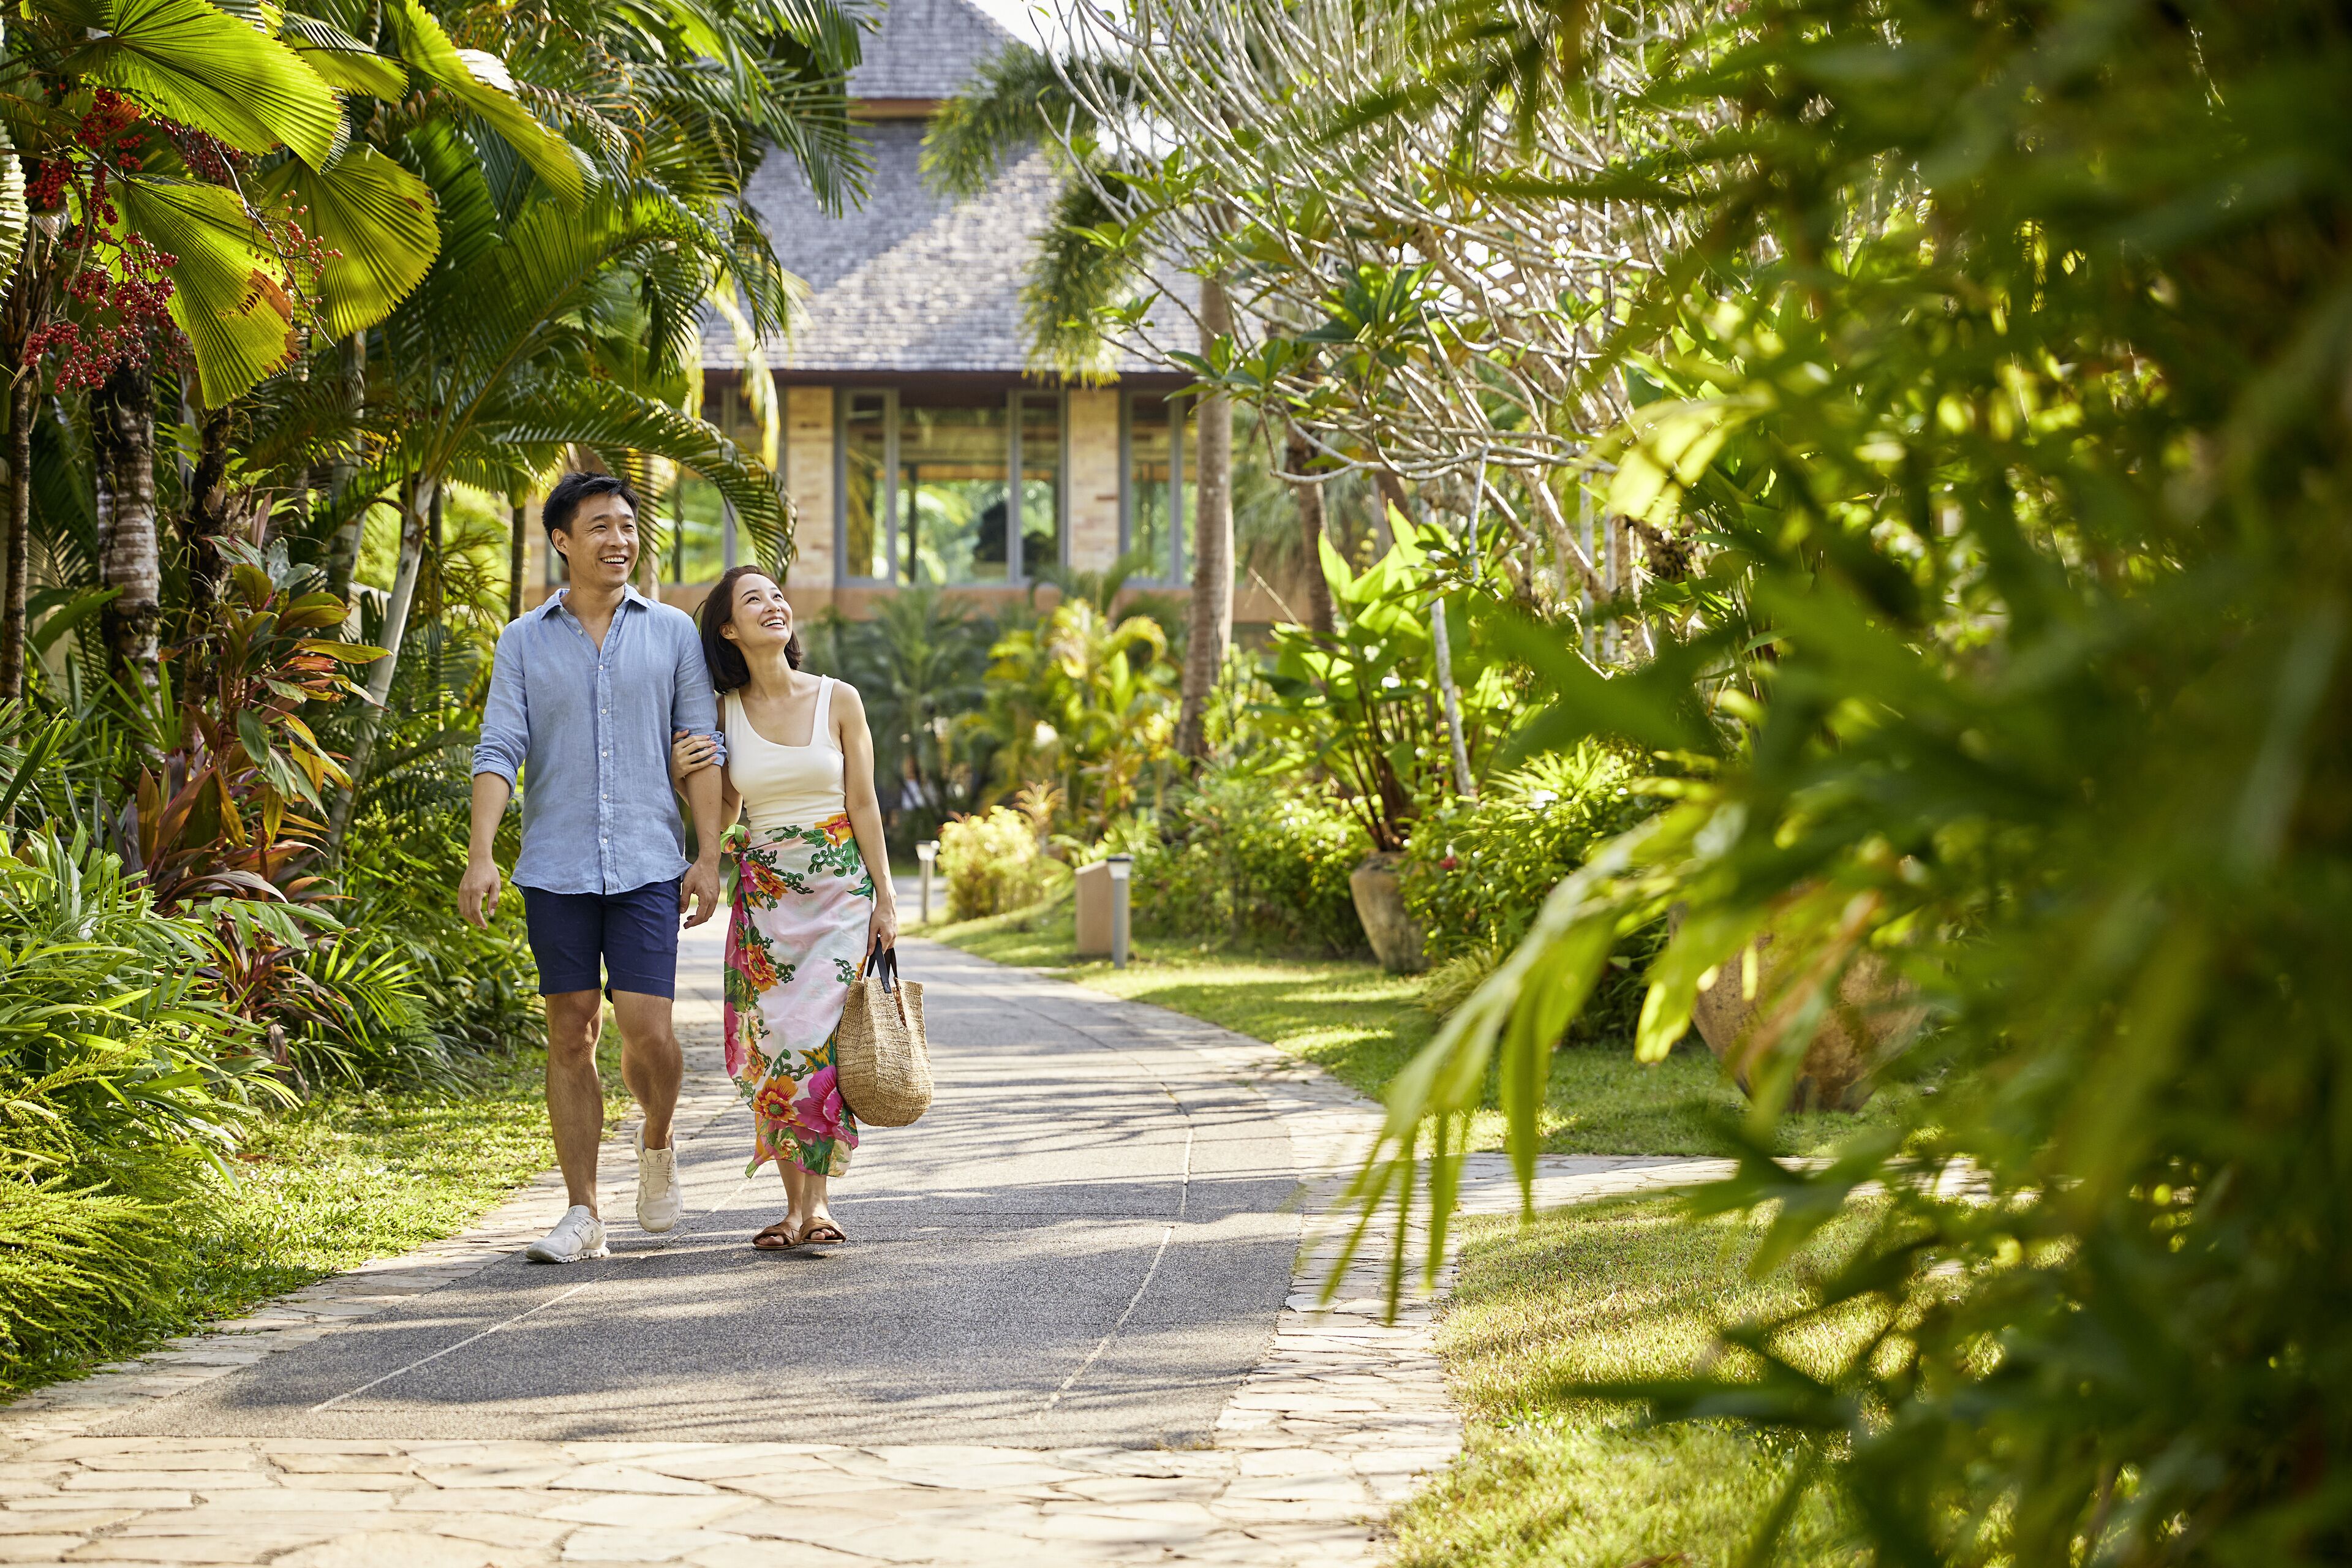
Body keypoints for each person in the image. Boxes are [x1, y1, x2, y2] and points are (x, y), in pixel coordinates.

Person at [461, 472, 728, 1265]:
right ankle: (582, 1211)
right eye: (601, 526)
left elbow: (701, 746)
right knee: (570, 1034)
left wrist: (707, 855)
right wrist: (482, 855)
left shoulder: (673, 633)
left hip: (649, 861)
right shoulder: (522, 641)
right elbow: (498, 749)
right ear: (563, 542)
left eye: (627, 525)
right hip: (556, 865)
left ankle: (657, 1137)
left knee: (648, 1034)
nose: (619, 539)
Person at [669, 564, 899, 1249]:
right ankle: (793, 1207)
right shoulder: (722, 713)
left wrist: (886, 899)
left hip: (838, 897)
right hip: (767, 902)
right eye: (753, 600)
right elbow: (729, 812)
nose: (774, 605)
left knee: (816, 1045)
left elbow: (864, 804)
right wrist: (688, 780)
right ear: (729, 630)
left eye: (777, 594)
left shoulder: (839, 700)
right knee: (778, 1050)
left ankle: (819, 1205)